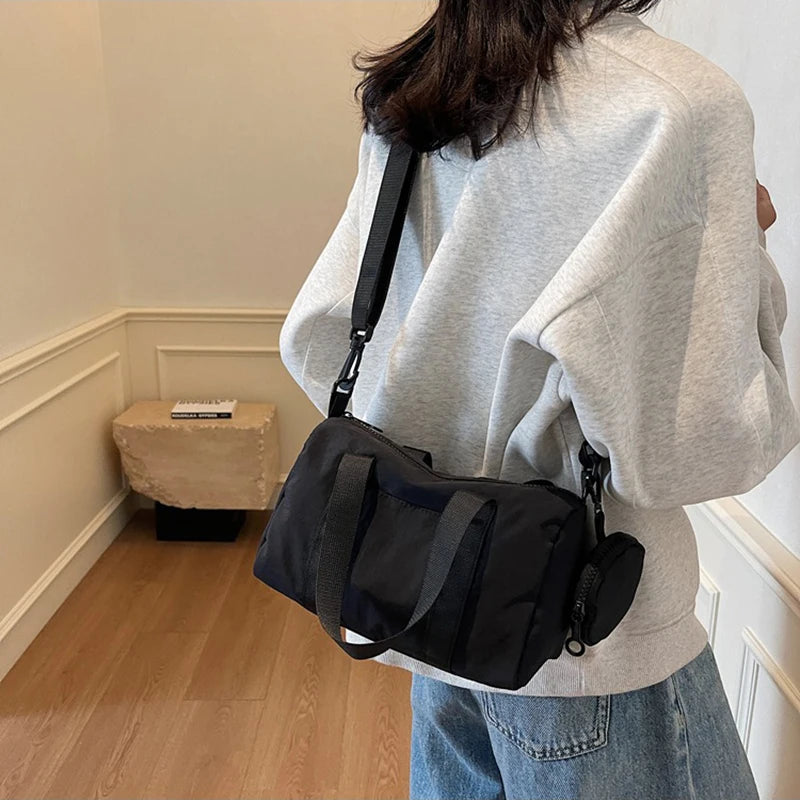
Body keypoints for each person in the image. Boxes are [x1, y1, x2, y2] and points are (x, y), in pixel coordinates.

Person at [278, 1, 800, 797]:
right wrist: (746, 253)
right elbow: (703, 447)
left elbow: (319, 338)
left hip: (436, 615)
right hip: (583, 645)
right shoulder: (675, 104)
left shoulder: (423, 84)